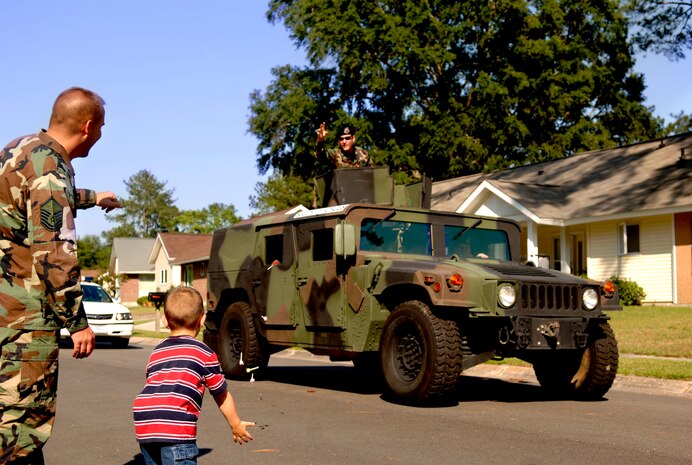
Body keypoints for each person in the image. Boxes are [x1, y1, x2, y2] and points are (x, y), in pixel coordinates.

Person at [0, 87, 121, 464]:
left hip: (4, 309)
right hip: (25, 320)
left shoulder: (19, 150)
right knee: (21, 428)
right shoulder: (51, 166)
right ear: (88, 127)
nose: (99, 135)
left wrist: (92, 196)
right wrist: (77, 321)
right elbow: (55, 255)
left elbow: (37, 197)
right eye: (101, 128)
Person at [132, 287, 254, 465]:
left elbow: (152, 384)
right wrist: (235, 424)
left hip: (145, 425)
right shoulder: (203, 353)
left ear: (165, 320)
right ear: (202, 319)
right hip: (175, 426)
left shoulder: (157, 351)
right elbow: (221, 393)